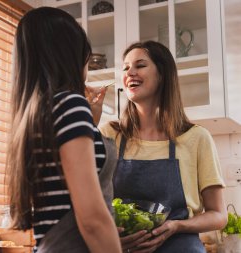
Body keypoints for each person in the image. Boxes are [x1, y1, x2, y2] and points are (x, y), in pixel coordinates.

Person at [91, 40, 227, 252]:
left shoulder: (197, 138)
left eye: (140, 65)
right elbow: (87, 195)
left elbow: (218, 215)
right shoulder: (110, 134)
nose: (130, 73)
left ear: (162, 74)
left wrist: (177, 226)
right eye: (126, 67)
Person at [5, 7, 122, 253]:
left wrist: (88, 120)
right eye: (86, 59)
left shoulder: (36, 113)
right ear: (69, 57)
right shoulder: (69, 104)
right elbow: (92, 220)